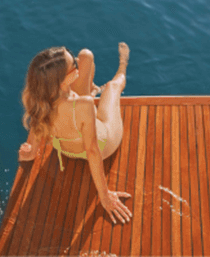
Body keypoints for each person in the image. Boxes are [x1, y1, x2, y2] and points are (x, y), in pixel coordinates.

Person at [18, 43, 132, 224]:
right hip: (103, 142)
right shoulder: (84, 105)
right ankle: (123, 64)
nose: (77, 64)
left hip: (66, 148)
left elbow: (35, 131)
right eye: (74, 66)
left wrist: (31, 151)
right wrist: (105, 196)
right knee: (112, 87)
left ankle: (93, 87)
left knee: (86, 55)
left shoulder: (39, 97)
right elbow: (93, 151)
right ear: (65, 80)